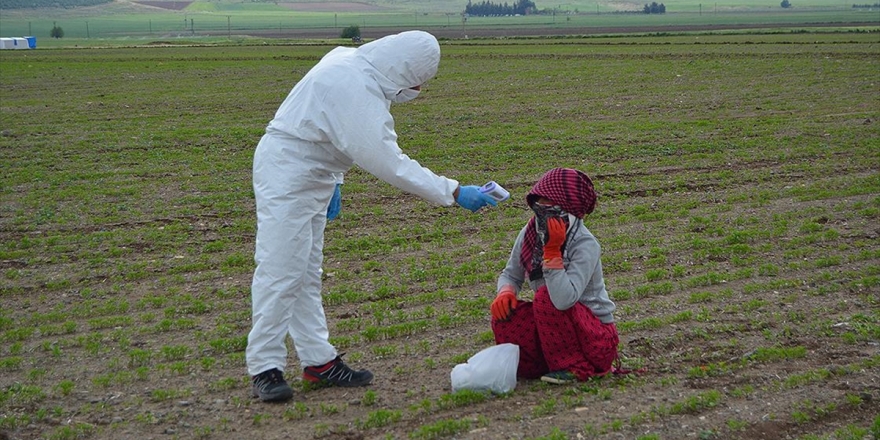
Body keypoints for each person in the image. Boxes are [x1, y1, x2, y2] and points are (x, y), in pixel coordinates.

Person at [247, 30, 498, 403]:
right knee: (280, 269)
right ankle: (264, 367)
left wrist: (333, 179)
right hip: (290, 173)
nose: (416, 90)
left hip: (310, 170)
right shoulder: (355, 86)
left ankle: (319, 361)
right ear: (403, 69)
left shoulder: (352, 63)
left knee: (304, 271)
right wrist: (455, 191)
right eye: (416, 82)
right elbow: (387, 162)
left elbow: (327, 129)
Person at [489, 168, 619, 384]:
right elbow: (511, 274)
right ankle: (542, 364)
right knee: (507, 317)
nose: (544, 210)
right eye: (540, 202)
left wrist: (552, 254)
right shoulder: (530, 232)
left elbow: (563, 299)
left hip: (595, 338)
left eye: (552, 204)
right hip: (556, 330)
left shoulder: (585, 244)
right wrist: (505, 292)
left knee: (545, 298)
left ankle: (576, 367)